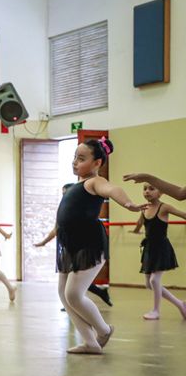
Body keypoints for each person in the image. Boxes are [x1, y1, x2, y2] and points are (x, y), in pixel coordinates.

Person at [56, 138, 146, 354]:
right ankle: (90, 342)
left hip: (89, 243)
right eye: (74, 158)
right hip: (70, 244)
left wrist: (129, 204)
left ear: (97, 163)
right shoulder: (75, 185)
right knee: (63, 294)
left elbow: (112, 189)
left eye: (81, 158)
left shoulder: (94, 182)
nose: (75, 162)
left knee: (74, 295)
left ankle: (103, 330)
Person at [131, 183, 186, 320]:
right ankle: (180, 304)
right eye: (145, 189)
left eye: (151, 188)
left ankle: (156, 311)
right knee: (149, 284)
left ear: (161, 193)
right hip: (149, 248)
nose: (147, 192)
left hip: (161, 247)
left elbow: (182, 214)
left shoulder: (164, 207)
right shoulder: (144, 208)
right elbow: (140, 222)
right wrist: (136, 231)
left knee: (155, 280)